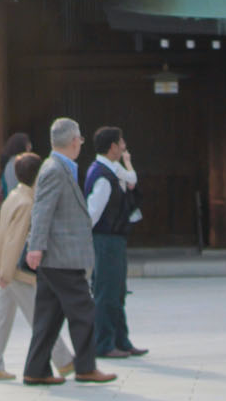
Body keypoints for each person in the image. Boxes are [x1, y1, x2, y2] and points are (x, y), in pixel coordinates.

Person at [20, 114, 110, 386]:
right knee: (84, 311)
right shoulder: (54, 170)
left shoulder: (59, 167)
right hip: (62, 257)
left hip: (57, 256)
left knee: (48, 316)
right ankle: (85, 367)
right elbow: (42, 210)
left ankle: (36, 370)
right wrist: (35, 247)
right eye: (80, 138)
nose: (81, 143)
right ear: (74, 141)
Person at [0, 144, 42, 380]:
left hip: (5, 265)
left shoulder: (15, 195)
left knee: (2, 317)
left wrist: (2, 270)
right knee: (39, 318)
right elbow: (15, 241)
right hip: (14, 269)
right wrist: (5, 272)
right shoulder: (27, 202)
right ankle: (66, 361)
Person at [88, 125, 145, 358]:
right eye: (121, 143)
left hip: (115, 238)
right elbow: (91, 213)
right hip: (105, 239)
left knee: (118, 291)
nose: (124, 146)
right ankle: (104, 344)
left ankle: (121, 340)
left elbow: (130, 179)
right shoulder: (102, 175)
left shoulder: (111, 170)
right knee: (106, 292)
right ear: (113, 147)